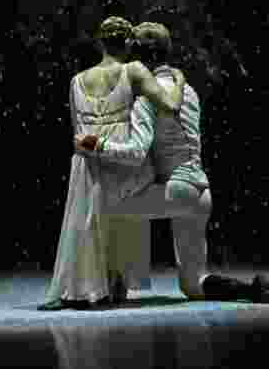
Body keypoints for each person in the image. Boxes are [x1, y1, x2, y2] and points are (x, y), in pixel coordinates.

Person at [74, 22, 269, 305]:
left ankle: (110, 281)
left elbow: (137, 151)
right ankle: (252, 290)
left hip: (177, 189)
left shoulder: (148, 98)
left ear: (143, 58)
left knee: (106, 202)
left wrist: (98, 144)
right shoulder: (188, 91)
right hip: (201, 193)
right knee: (193, 284)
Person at [39, 16, 187, 310]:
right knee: (143, 179)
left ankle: (92, 283)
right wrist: (179, 80)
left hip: (88, 164)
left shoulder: (76, 80)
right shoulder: (133, 70)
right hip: (121, 165)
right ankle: (115, 276)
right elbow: (171, 105)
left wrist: (94, 147)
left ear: (100, 42)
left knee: (88, 210)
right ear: (129, 43)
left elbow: (77, 137)